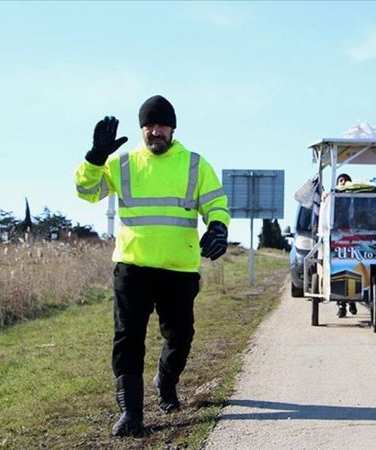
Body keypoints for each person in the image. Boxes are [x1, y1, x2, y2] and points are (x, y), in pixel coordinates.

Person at [74, 95, 230, 437]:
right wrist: (95, 157)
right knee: (128, 337)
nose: (155, 132)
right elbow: (85, 191)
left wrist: (218, 226)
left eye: (161, 126)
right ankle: (131, 413)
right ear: (142, 129)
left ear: (172, 128)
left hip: (179, 268)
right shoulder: (123, 163)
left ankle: (166, 379)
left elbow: (216, 203)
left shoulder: (194, 164)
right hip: (133, 267)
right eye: (149, 126)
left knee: (181, 335)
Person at [335, 173, 358, 317]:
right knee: (340, 271)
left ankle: (353, 301)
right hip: (338, 239)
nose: (343, 182)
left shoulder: (355, 200)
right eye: (341, 180)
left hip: (355, 239)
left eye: (346, 181)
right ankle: (341, 305)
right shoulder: (334, 199)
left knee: (354, 270)